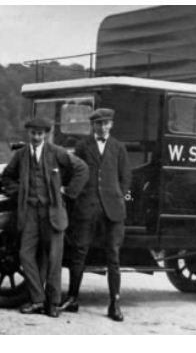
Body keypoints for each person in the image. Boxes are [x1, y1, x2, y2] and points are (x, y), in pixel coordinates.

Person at [2, 117, 88, 318]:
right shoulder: (21, 155)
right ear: (28, 133)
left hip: (53, 212)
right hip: (30, 212)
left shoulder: (56, 152)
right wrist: (20, 192)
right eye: (33, 133)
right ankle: (37, 300)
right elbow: (7, 176)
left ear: (46, 135)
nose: (36, 137)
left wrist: (67, 191)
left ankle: (53, 304)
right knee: (25, 254)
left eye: (40, 133)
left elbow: (82, 169)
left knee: (53, 259)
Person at [61, 108, 131, 322]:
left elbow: (125, 177)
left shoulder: (119, 148)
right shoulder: (83, 147)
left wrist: (117, 196)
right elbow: (75, 173)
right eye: (98, 123)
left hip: (112, 209)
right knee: (79, 252)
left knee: (113, 256)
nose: (102, 127)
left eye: (106, 123)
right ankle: (72, 298)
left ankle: (115, 303)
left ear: (111, 125)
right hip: (86, 207)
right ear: (92, 126)